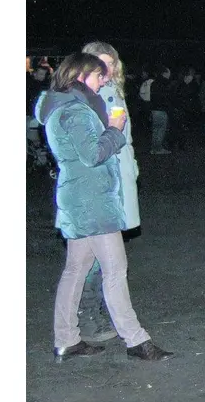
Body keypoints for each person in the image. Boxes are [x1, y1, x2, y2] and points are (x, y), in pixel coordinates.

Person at [38, 53, 172, 362]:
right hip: (93, 202)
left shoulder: (59, 106)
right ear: (82, 76)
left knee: (76, 269)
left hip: (77, 199)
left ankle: (66, 339)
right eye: (99, 76)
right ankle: (136, 341)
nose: (103, 82)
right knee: (115, 270)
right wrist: (114, 129)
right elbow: (93, 154)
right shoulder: (76, 112)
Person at [75, 40, 142, 344]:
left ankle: (93, 315)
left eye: (112, 63)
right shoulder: (90, 96)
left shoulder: (113, 90)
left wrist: (133, 166)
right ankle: (88, 317)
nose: (109, 70)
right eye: (102, 65)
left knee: (97, 254)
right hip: (104, 180)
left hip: (119, 174)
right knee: (97, 255)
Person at [138, 64, 173, 155]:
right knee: (161, 129)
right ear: (165, 73)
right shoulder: (164, 83)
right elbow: (164, 97)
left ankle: (154, 148)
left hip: (153, 108)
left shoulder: (153, 82)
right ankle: (158, 148)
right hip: (161, 109)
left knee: (155, 129)